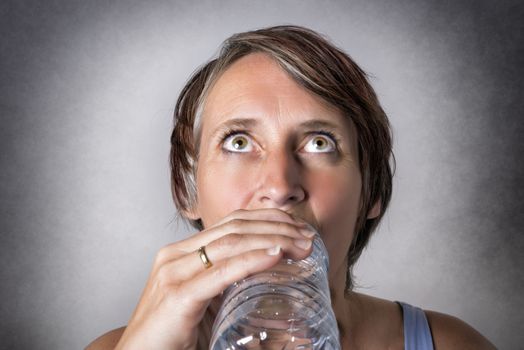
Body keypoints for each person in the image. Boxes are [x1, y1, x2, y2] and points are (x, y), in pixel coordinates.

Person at [87, 25, 495, 349]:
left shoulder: (450, 345)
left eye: (320, 143)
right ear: (185, 188)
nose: (280, 187)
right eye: (239, 142)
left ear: (372, 192)